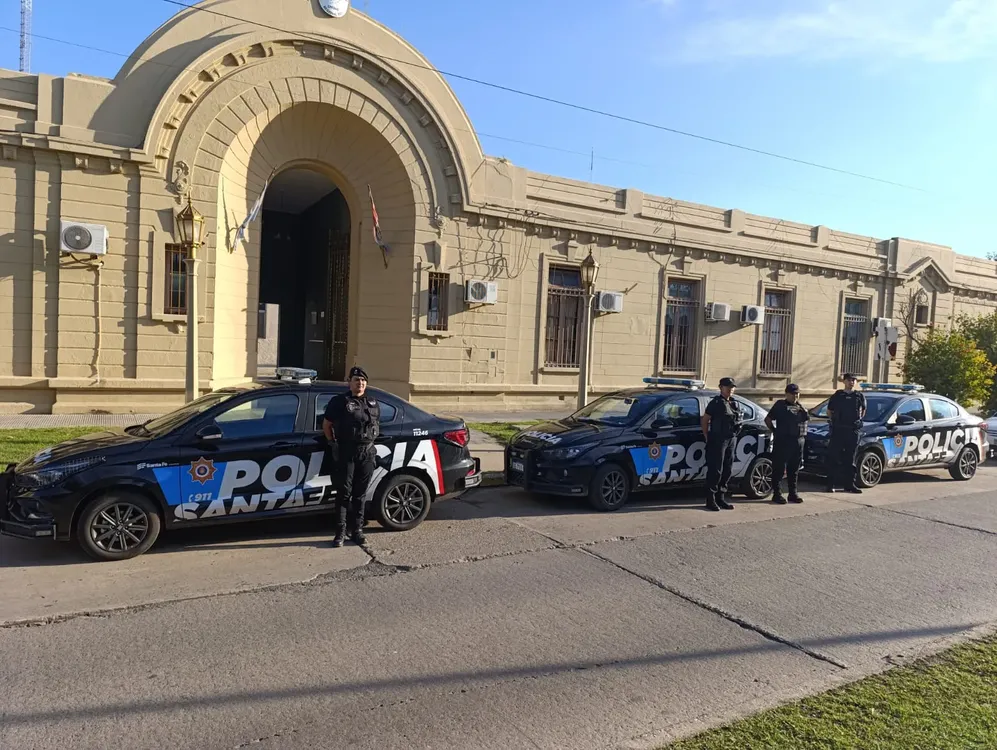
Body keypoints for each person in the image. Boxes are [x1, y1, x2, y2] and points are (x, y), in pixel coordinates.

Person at [322, 366, 381, 547]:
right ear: (350, 382)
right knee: (344, 494)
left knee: (360, 494)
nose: (360, 383)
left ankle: (358, 531)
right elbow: (327, 425)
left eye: (363, 381)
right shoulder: (339, 402)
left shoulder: (372, 402)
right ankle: (340, 533)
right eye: (356, 380)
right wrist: (333, 443)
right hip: (346, 452)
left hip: (367, 453)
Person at [701, 377, 743, 511]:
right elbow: (705, 419)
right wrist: (707, 436)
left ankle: (721, 498)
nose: (731, 389)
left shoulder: (735, 403)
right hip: (718, 439)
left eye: (732, 387)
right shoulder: (716, 403)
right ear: (721, 388)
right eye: (727, 387)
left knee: (727, 469)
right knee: (715, 470)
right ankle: (710, 499)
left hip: (731, 438)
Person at [765, 383, 810, 504]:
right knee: (779, 469)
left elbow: (806, 419)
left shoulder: (800, 407)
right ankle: (777, 494)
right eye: (793, 394)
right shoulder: (780, 405)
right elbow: (768, 419)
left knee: (794, 469)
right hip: (783, 441)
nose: (795, 396)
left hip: (798, 441)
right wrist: (775, 431)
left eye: (797, 393)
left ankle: (793, 494)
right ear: (787, 394)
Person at [825, 373, 866, 494]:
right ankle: (830, 485)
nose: (851, 382)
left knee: (850, 459)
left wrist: (857, 421)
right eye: (849, 380)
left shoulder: (859, 396)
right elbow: (829, 411)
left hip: (852, 431)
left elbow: (863, 410)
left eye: (854, 380)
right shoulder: (837, 395)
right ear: (844, 382)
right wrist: (836, 422)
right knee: (834, 458)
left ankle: (849, 485)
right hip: (838, 431)